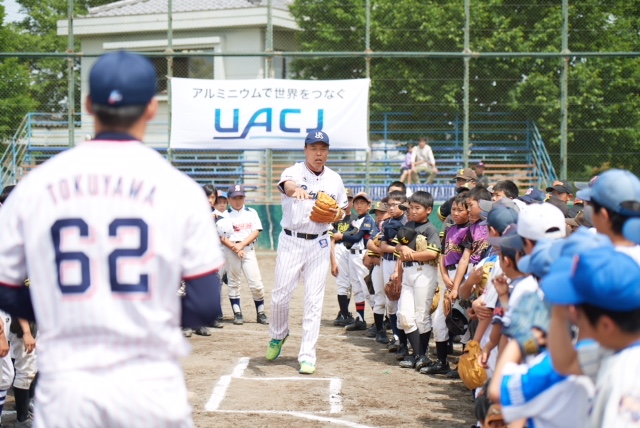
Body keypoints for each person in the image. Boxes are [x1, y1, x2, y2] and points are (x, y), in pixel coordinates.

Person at [0, 51, 224, 427]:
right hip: (150, 385)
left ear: (89, 105)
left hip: (69, 389)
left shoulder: (35, 187)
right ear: (151, 108)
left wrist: (54, 313)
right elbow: (204, 305)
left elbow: (4, 286)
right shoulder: (181, 190)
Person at [266, 131, 348, 375]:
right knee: (281, 295)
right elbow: (288, 186)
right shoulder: (293, 172)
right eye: (314, 148)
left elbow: (343, 210)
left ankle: (307, 355)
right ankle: (278, 335)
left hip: (320, 243)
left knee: (314, 300)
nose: (319, 153)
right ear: (305, 150)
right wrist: (295, 190)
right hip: (292, 241)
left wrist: (337, 215)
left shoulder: (335, 179)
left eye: (323, 148)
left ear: (328, 152)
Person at [394, 191, 442, 371]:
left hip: (425, 271)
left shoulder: (430, 229)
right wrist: (403, 247)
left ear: (429, 210)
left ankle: (421, 355)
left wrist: (411, 253)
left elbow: (433, 252)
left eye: (417, 208)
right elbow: (396, 245)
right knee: (405, 315)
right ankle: (418, 354)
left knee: (421, 316)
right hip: (408, 272)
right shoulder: (409, 224)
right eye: (411, 208)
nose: (412, 211)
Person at [217, 184, 269, 326]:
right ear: (229, 199)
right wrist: (236, 248)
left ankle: (261, 313)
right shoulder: (224, 215)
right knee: (234, 282)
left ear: (244, 198)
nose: (238, 201)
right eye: (234, 198)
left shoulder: (251, 212)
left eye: (240, 197)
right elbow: (222, 237)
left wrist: (241, 246)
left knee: (256, 283)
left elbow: (257, 230)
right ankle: (237, 313)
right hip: (231, 250)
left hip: (247, 249)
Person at [333, 192, 375, 332]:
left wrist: (341, 236)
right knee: (357, 289)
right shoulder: (355, 220)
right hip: (352, 256)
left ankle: (378, 322)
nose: (358, 205)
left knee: (367, 290)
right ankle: (361, 320)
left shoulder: (368, 219)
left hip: (361, 256)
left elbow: (358, 238)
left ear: (369, 206)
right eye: (356, 203)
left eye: (362, 203)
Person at [331, 188, 354, 325]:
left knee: (351, 286)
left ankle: (343, 312)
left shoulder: (357, 218)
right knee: (343, 284)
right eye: (344, 198)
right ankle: (345, 315)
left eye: (350, 199)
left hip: (353, 253)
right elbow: (331, 241)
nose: (347, 202)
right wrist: (333, 261)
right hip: (340, 250)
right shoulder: (335, 219)